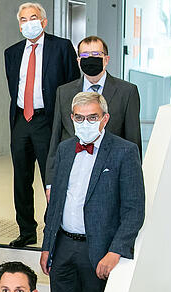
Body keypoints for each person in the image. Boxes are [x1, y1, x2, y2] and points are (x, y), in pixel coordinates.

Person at [41, 91, 145, 292]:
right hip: (63, 247)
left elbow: (135, 209)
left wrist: (115, 252)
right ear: (71, 118)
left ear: (105, 119)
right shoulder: (64, 150)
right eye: (79, 117)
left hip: (97, 253)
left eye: (92, 117)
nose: (85, 123)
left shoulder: (124, 151)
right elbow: (56, 202)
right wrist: (47, 244)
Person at [4, 2, 79, 248]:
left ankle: (54, 229)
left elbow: (71, 87)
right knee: (20, 179)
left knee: (52, 178)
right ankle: (26, 231)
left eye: (33, 18)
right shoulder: (12, 52)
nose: (28, 23)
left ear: (44, 22)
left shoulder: (61, 47)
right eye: (23, 19)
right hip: (21, 121)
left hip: (49, 121)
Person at [45, 35, 142, 198]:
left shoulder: (127, 92)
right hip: (71, 172)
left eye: (96, 55)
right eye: (85, 55)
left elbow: (133, 141)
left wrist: (132, 184)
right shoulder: (64, 92)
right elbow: (56, 139)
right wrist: (50, 182)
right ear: (78, 60)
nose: (90, 59)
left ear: (106, 59)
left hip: (109, 174)